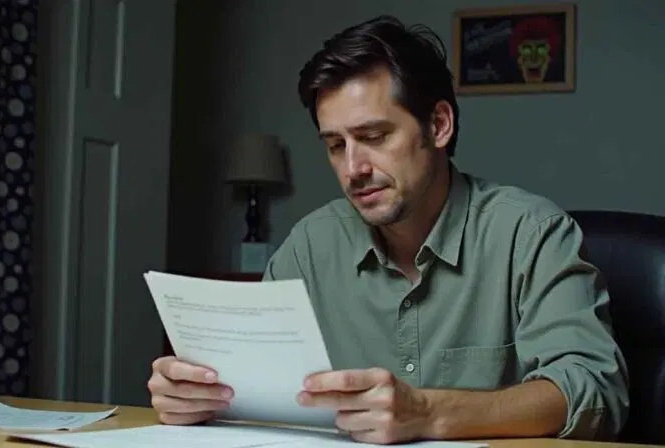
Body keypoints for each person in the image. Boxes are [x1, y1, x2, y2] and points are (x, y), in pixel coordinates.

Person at [147, 15, 629, 444]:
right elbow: (258, 399)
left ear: (438, 125)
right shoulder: (310, 247)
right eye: (335, 145)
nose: (353, 168)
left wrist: (428, 412)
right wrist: (197, 398)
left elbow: (595, 393)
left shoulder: (532, 234)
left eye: (374, 137)